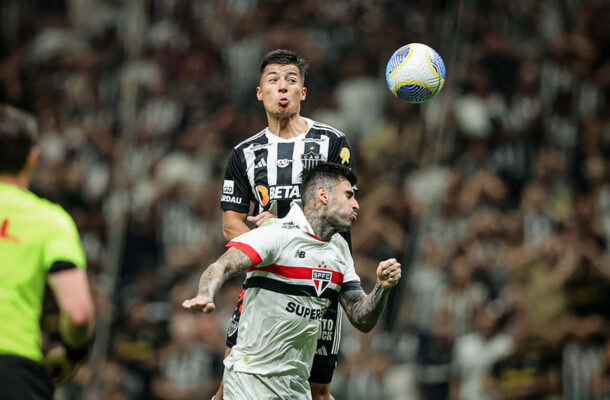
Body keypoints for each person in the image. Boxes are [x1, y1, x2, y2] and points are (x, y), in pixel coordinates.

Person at [184, 162, 402, 400]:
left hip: (296, 387)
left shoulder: (339, 249)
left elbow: (361, 318)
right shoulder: (277, 233)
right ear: (323, 195)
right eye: (349, 195)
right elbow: (221, 266)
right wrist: (205, 293)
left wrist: (382, 287)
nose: (356, 204)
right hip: (250, 380)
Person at [218, 49, 353, 399]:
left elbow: (343, 208)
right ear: (259, 91)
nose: (283, 88)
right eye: (273, 80)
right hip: (265, 287)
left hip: (321, 283)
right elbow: (231, 222)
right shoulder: (244, 153)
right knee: (229, 378)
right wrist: (265, 246)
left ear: (303, 93)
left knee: (317, 390)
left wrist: (283, 228)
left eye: (291, 81)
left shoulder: (331, 142)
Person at [0, 105, 95, 399]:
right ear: (33, 157)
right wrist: (72, 353)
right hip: (13, 372)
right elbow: (78, 313)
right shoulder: (50, 221)